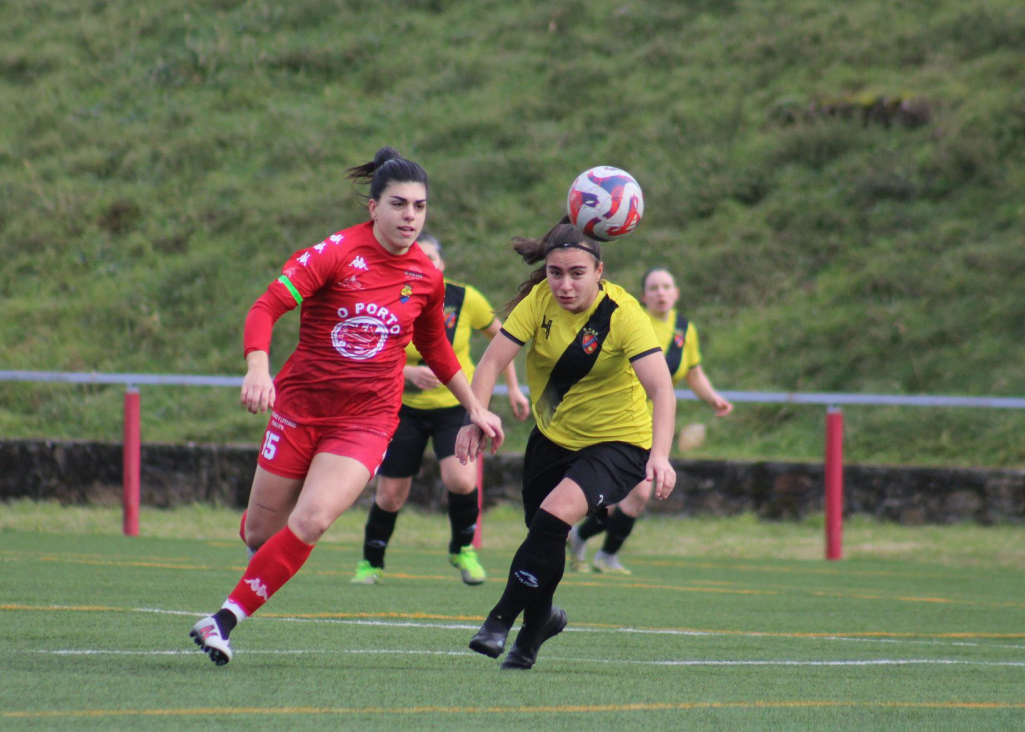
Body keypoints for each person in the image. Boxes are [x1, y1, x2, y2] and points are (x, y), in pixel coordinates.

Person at [189, 147, 504, 667]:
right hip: (300, 407)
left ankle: (222, 621)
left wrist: (474, 405)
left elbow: (435, 347)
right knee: (261, 535)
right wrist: (258, 369)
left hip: (368, 419)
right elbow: (267, 306)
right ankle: (262, 550)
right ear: (373, 207)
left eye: (420, 206)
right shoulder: (334, 253)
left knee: (312, 520)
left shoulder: (427, 277)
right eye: (398, 204)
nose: (410, 216)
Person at [456, 218, 677, 671]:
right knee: (544, 533)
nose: (565, 285)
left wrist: (660, 455)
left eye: (577, 273)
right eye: (556, 273)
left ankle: (500, 620)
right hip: (552, 437)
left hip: (618, 442)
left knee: (553, 516)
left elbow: (662, 389)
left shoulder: (623, 313)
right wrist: (475, 415)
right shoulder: (539, 301)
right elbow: (491, 363)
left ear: (599, 271)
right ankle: (540, 624)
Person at [352, 233, 530, 587]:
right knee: (390, 495)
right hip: (402, 407)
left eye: (431, 258)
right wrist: (408, 373)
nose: (425, 263)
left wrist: (513, 388)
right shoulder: (389, 295)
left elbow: (503, 340)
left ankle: (463, 550)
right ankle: (371, 563)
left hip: (454, 407)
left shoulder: (465, 298)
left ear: (442, 265)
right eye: (418, 257)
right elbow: (367, 350)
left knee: (461, 480)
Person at [567, 267, 733, 574]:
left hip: (653, 421)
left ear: (676, 293)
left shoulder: (684, 329)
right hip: (621, 415)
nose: (661, 293)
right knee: (636, 492)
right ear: (644, 296)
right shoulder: (632, 319)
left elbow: (693, 372)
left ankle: (592, 546)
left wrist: (713, 398)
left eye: (666, 286)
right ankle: (594, 548)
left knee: (631, 496)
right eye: (654, 288)